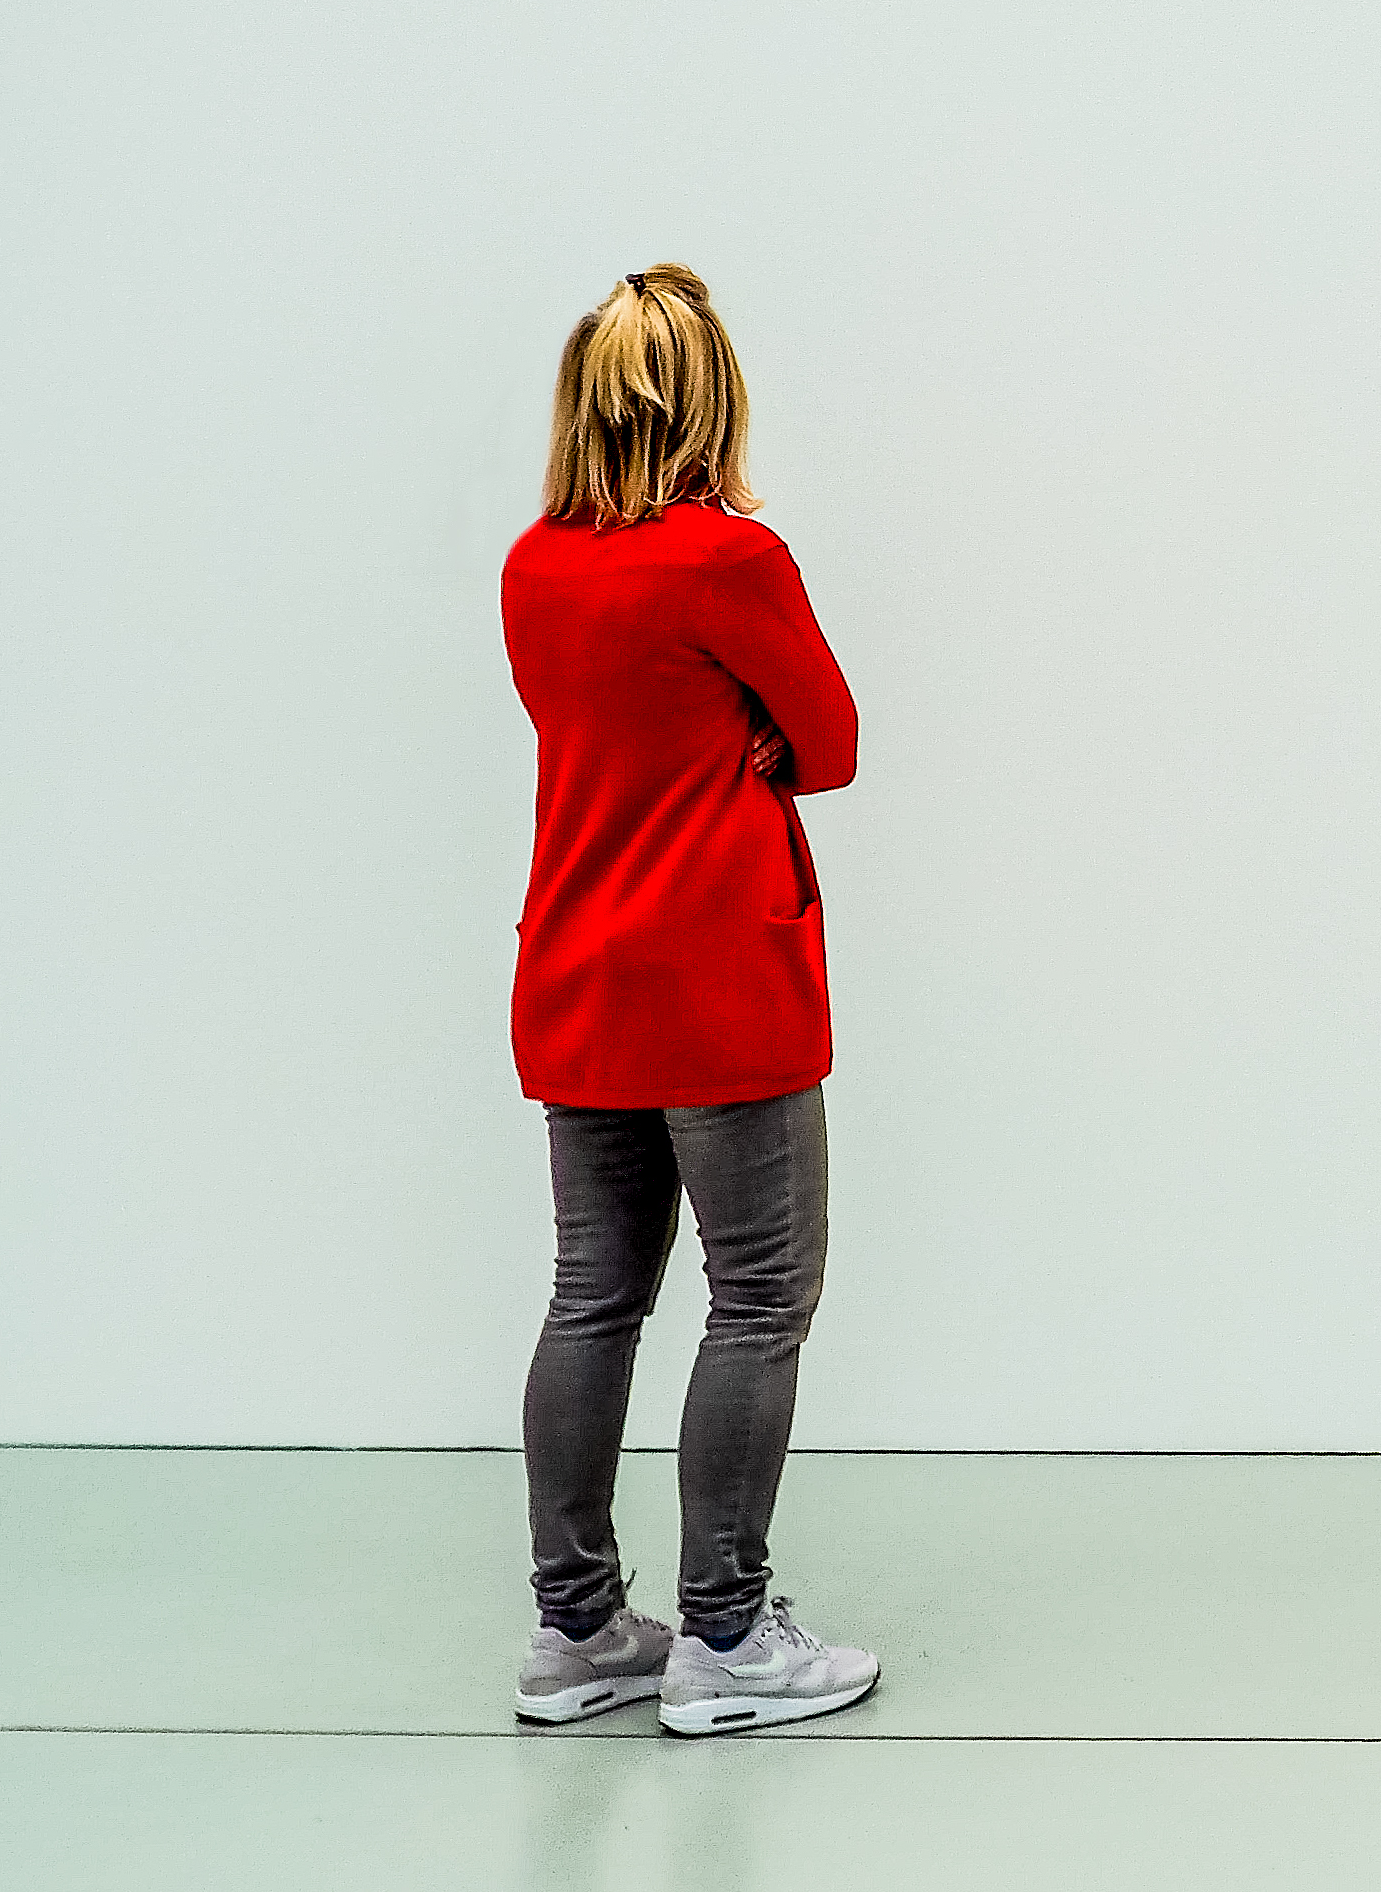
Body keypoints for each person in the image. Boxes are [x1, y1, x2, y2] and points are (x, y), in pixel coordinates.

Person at [499, 265, 878, 1735]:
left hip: (575, 971)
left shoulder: (536, 563)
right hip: (719, 978)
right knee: (760, 1299)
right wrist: (758, 748)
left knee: (594, 1297)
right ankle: (725, 1638)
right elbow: (831, 742)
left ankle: (577, 1626)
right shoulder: (729, 561)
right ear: (710, 397)